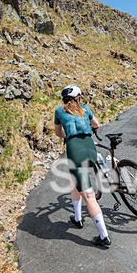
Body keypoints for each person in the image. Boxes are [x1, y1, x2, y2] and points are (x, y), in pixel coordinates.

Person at [53, 85, 111, 247]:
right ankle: (77, 218)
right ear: (77, 97)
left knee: (89, 195)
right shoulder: (85, 109)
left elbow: (58, 133)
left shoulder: (59, 111)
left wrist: (68, 136)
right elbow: (96, 124)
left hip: (75, 149)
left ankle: (103, 235)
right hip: (90, 147)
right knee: (75, 181)